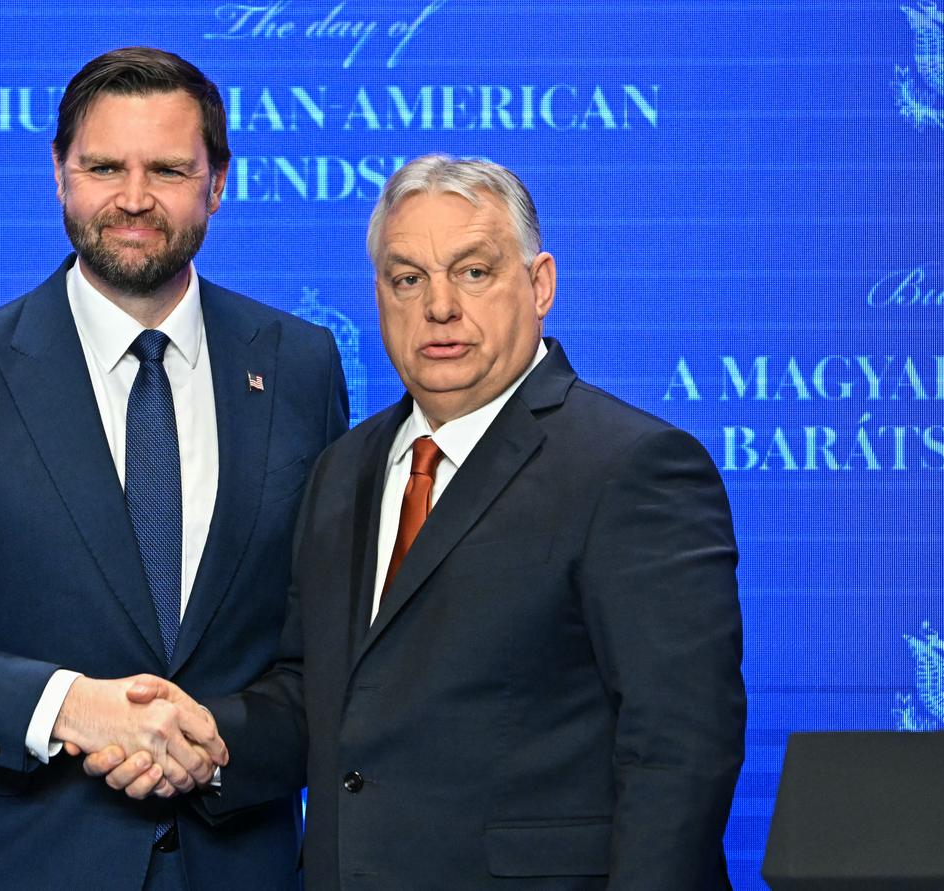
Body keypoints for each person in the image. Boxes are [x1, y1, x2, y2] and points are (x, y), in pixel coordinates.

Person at [95, 155, 746, 889]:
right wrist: (203, 739)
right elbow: (325, 693)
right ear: (379, 297)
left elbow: (679, 751)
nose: (439, 306)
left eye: (473, 272)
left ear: (541, 285)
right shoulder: (343, 469)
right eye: (408, 278)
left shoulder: (632, 467)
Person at [0, 47, 348, 891]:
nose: (133, 198)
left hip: (242, 861)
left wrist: (211, 742)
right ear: (59, 175)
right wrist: (68, 706)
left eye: (168, 169)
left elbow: (328, 639)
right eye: (104, 167)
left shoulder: (303, 366)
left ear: (218, 183)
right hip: (27, 863)